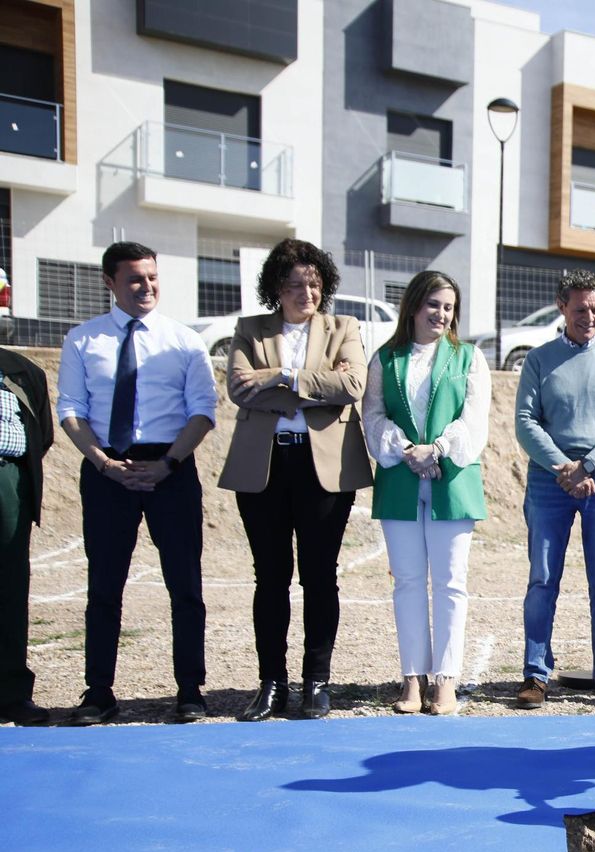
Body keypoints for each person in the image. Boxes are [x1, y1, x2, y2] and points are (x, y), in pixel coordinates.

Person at [57, 241, 216, 724]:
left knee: (185, 586)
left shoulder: (184, 340)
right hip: (108, 472)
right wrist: (104, 462)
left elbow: (203, 411)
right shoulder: (82, 340)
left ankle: (190, 691)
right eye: (134, 279)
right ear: (110, 283)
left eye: (152, 277)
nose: (146, 287)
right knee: (104, 587)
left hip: (171, 469)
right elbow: (70, 410)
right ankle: (98, 692)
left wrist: (168, 463)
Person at [218, 239, 373, 720]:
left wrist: (280, 377)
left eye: (313, 282)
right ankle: (272, 683)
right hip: (264, 467)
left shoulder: (344, 327)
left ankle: (317, 682)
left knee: (320, 577)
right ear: (276, 289)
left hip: (324, 468)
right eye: (293, 284)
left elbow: (352, 386)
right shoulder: (249, 329)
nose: (305, 292)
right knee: (271, 578)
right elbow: (240, 390)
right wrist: (311, 383)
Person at [362, 271, 489, 715]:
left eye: (449, 307)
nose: (441, 314)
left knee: (452, 583)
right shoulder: (386, 358)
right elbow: (373, 416)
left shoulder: (469, 357)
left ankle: (446, 680)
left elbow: (475, 420)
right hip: (400, 480)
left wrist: (436, 449)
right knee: (409, 583)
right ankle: (412, 678)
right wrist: (406, 450)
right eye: (434, 304)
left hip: (451, 481)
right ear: (414, 306)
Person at [515, 270, 595, 709]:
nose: (588, 316)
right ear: (561, 307)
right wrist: (563, 467)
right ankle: (535, 674)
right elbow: (526, 423)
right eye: (580, 308)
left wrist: (587, 465)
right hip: (549, 480)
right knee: (542, 579)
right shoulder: (538, 359)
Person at [0, 345, 53, 725]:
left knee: (9, 588)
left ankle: (11, 694)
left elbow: (42, 435)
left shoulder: (22, 369)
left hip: (10, 481)